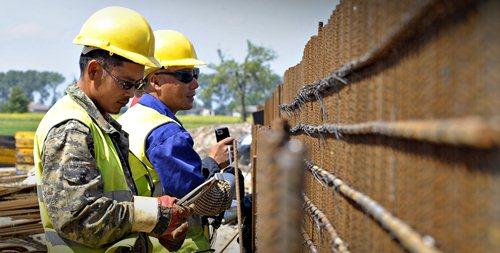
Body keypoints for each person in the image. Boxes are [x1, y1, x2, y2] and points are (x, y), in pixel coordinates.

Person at [34, 7, 191, 252]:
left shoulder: (97, 122)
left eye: (137, 84)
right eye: (126, 83)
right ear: (94, 70)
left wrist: (156, 224)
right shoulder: (72, 128)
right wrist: (157, 215)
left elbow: (114, 201)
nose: (131, 94)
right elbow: (81, 218)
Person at [118, 30, 234, 252]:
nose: (195, 84)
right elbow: (199, 200)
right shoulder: (166, 133)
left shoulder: (128, 119)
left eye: (195, 73)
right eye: (185, 75)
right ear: (155, 81)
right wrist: (217, 167)